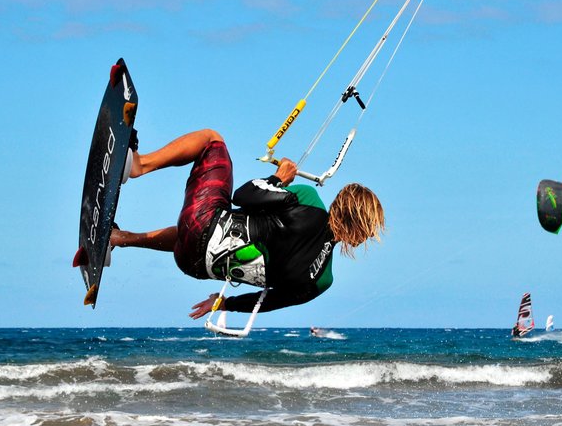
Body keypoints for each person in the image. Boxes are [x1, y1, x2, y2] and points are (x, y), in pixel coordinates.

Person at [110, 129, 385, 319]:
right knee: (206, 240)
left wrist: (278, 179)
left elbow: (242, 195)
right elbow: (267, 303)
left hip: (200, 222)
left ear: (340, 202)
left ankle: (139, 164)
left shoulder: (310, 201)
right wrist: (222, 304)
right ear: (359, 234)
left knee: (211, 140)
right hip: (193, 265)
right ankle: (119, 238)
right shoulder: (322, 282)